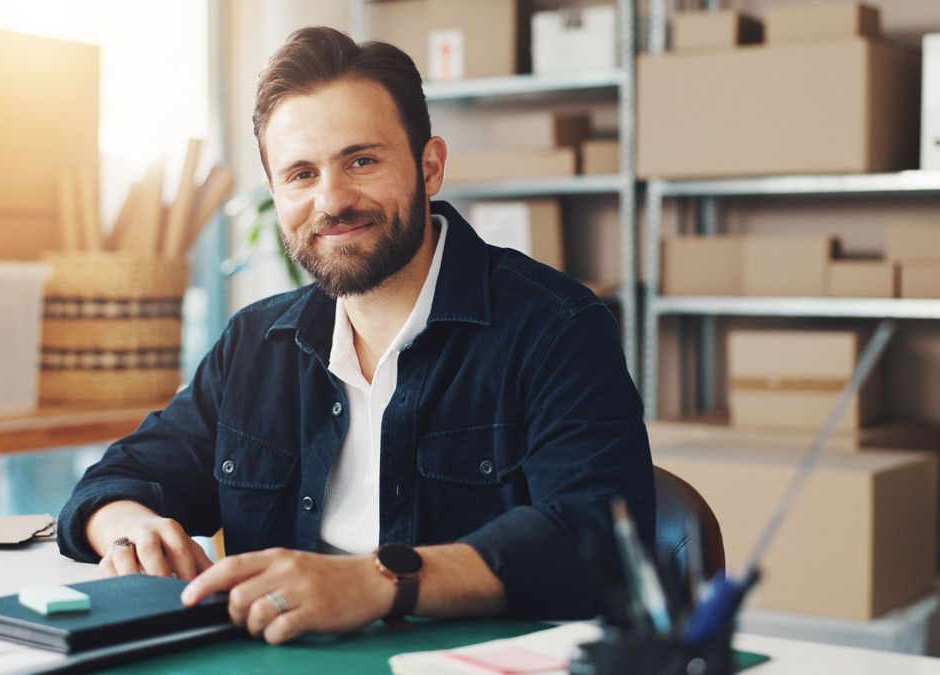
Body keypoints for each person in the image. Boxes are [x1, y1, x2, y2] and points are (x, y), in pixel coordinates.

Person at [58, 25, 654, 645]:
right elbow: (117, 479)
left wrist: (378, 581)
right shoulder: (254, 343)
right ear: (275, 193)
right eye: (301, 174)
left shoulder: (556, 327)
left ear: (430, 166)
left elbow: (595, 539)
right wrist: (127, 528)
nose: (332, 200)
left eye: (361, 161)